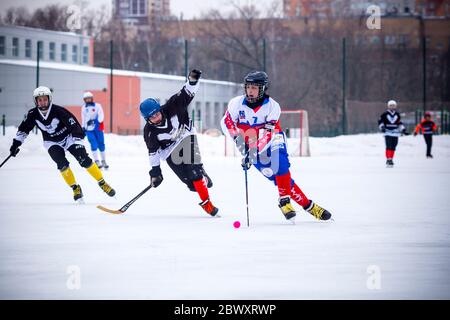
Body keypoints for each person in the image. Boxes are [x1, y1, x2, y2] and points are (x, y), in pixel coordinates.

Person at [221, 71, 332, 223]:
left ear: (263, 89)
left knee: (281, 164)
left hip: (273, 139)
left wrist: (252, 153)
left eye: (254, 88)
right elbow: (227, 123)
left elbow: (268, 133)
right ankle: (308, 206)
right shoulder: (236, 103)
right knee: (278, 178)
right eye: (248, 87)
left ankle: (284, 202)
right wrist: (241, 145)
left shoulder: (273, 107)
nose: (250, 91)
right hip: (250, 143)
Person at [9, 86, 116, 202]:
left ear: (49, 99)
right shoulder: (32, 114)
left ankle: (102, 183)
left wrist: (78, 141)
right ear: (35, 101)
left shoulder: (59, 110)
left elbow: (74, 125)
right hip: (51, 142)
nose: (42, 102)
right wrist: (15, 144)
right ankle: (75, 188)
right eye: (39, 100)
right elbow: (23, 129)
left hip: (69, 138)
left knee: (84, 159)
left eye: (45, 99)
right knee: (62, 164)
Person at [140, 69, 218, 217]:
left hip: (187, 137)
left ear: (160, 109)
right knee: (190, 183)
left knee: (194, 172)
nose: (156, 118)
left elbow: (186, 92)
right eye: (152, 118)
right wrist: (156, 172)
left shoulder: (172, 105)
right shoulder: (149, 132)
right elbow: (153, 152)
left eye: (157, 114)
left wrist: (193, 81)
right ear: (147, 120)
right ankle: (203, 178)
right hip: (169, 151)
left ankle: (207, 204)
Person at [81, 91, 109, 169]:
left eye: (89, 98)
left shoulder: (98, 106)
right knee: (93, 143)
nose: (88, 100)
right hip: (88, 130)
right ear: (84, 100)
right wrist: (83, 127)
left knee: (101, 143)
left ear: (92, 98)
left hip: (98, 128)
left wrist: (95, 121)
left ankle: (103, 160)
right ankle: (97, 161)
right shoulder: (83, 107)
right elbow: (83, 118)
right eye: (86, 99)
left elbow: (101, 115)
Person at [378, 100, 408, 168]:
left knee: (394, 146)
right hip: (387, 132)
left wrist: (403, 129)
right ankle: (389, 159)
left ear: (395, 106)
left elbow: (399, 123)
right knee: (389, 146)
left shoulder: (397, 114)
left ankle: (391, 158)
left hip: (395, 133)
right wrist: (382, 127)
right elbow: (380, 122)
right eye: (390, 105)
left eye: (393, 105)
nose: (392, 107)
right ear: (388, 106)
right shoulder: (384, 114)